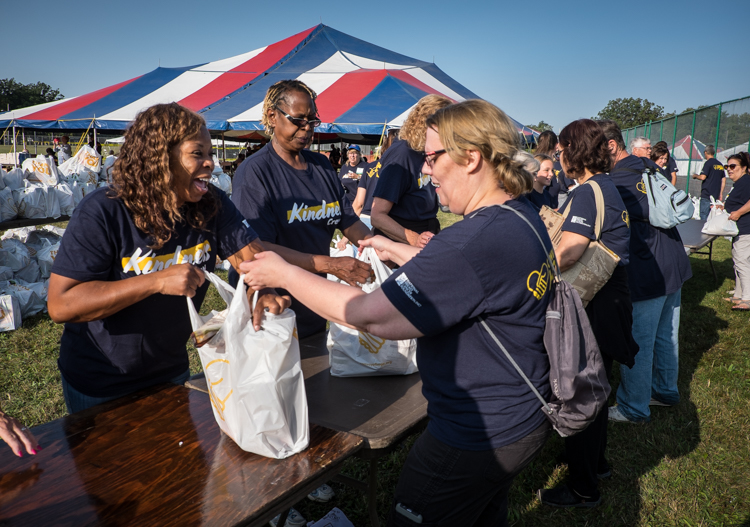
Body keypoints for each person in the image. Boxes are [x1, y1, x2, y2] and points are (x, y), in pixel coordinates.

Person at [242, 99, 553, 527]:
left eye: (431, 158)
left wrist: (285, 274)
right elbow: (474, 281)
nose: (425, 172)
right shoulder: (520, 217)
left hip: (474, 434)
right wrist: (401, 251)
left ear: (471, 158)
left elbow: (371, 316)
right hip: (519, 417)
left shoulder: (471, 243)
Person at [47, 103, 289, 414]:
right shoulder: (103, 211)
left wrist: (265, 289)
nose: (211, 164)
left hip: (171, 371)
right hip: (101, 382)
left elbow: (253, 258)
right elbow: (62, 304)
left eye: (211, 154)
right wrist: (156, 281)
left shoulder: (211, 203)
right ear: (161, 157)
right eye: (197, 154)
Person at [537, 119, 637, 509]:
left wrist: (533, 275)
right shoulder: (607, 187)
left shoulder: (587, 192)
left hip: (595, 305)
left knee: (580, 389)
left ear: (573, 150)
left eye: (562, 149)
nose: (559, 156)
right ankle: (596, 464)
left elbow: (572, 250)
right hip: (612, 301)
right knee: (597, 387)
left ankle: (582, 487)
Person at [230, 79, 372, 339]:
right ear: (273, 116)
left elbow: (348, 221)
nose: (306, 129)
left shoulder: (321, 166)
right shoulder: (255, 172)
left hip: (315, 304)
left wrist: (381, 248)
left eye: (312, 121)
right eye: (298, 120)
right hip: (273, 308)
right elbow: (256, 248)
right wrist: (330, 264)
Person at [597, 120, 692, 424]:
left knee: (638, 341)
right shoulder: (647, 165)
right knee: (666, 335)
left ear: (611, 146)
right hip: (673, 263)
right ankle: (665, 391)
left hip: (648, 269)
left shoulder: (617, 181)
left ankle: (633, 407)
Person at [371, 94, 451, 248]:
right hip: (398, 244)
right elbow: (377, 215)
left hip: (426, 232)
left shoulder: (425, 150)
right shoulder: (402, 154)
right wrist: (414, 239)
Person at [723, 152, 750, 310]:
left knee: (741, 262)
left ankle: (747, 298)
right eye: (727, 166)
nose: (729, 169)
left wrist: (739, 212)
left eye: (733, 166)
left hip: (746, 229)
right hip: (740, 229)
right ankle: (739, 295)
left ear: (744, 168)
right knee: (738, 261)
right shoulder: (740, 182)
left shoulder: (746, 181)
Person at [536, 130, 575, 208]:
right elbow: (572, 188)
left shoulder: (531, 162)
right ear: (556, 146)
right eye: (546, 170)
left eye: (551, 170)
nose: (550, 174)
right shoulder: (560, 165)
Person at [693, 145, 726, 220]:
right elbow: (723, 179)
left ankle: (703, 230)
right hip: (715, 195)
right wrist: (721, 193)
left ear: (705, 152)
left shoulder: (708, 163)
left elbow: (702, 177)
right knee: (713, 217)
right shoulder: (720, 164)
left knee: (704, 216)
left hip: (707, 195)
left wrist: (695, 176)